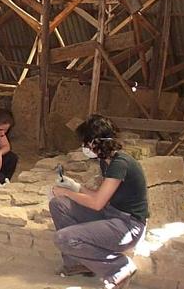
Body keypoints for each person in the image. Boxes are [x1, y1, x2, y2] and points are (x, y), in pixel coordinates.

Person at [49, 114, 148, 289]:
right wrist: (75, 186)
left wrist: (66, 192)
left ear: (96, 142)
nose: (83, 147)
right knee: (58, 204)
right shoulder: (106, 161)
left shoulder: (120, 163)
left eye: (85, 143)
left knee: (64, 239)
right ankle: (77, 263)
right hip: (112, 215)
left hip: (128, 226)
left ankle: (120, 268)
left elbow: (96, 204)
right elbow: (99, 196)